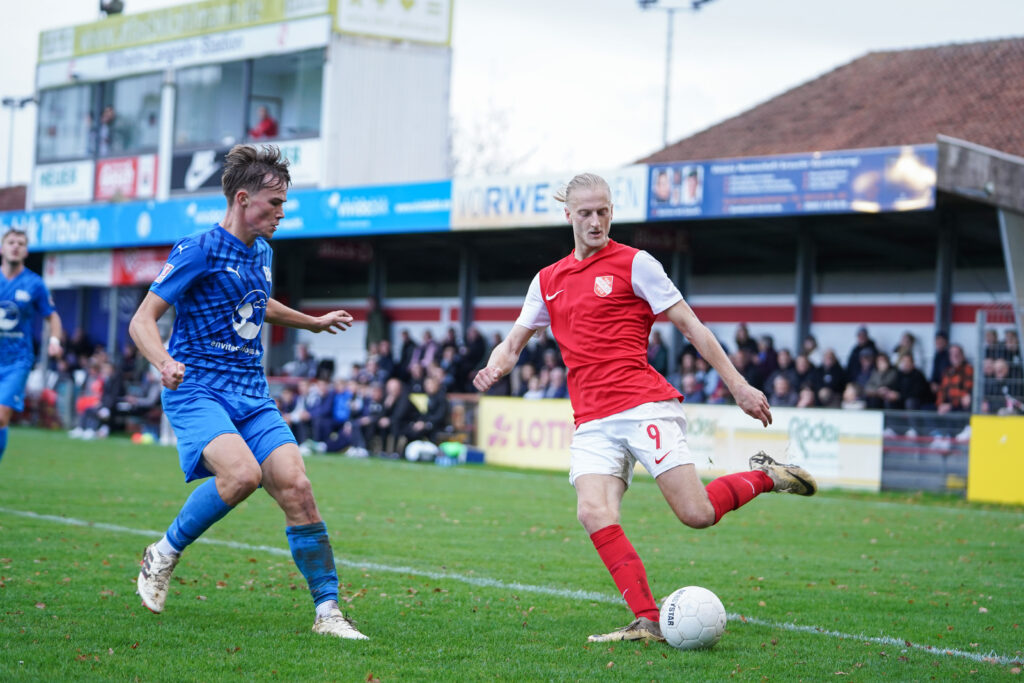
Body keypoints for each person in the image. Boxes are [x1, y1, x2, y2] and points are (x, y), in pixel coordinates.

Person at [472, 173, 816, 644]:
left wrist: (738, 385)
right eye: (586, 213)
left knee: (696, 514)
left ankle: (767, 476)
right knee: (593, 512)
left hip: (644, 406)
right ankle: (647, 620)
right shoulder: (547, 281)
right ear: (568, 214)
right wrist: (495, 367)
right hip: (591, 420)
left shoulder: (637, 264)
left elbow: (692, 327)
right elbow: (514, 342)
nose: (596, 221)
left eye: (604, 211)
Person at [128, 145, 367, 640]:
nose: (282, 213)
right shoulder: (198, 249)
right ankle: (164, 552)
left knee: (298, 489)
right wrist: (164, 361)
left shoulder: (262, 251)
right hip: (198, 390)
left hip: (250, 394)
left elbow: (257, 303)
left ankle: (328, 613)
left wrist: (313, 322)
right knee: (241, 475)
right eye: (274, 203)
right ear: (242, 198)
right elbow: (142, 320)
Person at [0, 228, 64, 464]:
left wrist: (55, 341)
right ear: (2, 247)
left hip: (17, 360)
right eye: (11, 242)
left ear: (26, 251)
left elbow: (52, 316)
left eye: (20, 243)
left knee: (1, 416)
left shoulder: (34, 284)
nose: (15, 246)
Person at [935, 344, 974, 414]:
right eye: (952, 354)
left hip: (960, 407)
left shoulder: (968, 370)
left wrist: (951, 406)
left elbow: (967, 393)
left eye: (957, 353)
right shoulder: (947, 372)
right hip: (947, 407)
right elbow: (942, 391)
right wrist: (940, 405)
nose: (955, 356)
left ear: (962, 355)